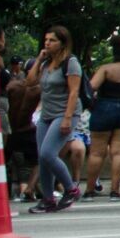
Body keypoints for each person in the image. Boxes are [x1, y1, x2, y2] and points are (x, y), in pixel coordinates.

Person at [82, 33, 120, 200]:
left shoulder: (105, 69)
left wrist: (92, 105)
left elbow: (90, 88)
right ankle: (115, 191)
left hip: (104, 107)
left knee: (97, 152)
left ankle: (89, 190)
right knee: (119, 152)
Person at [29, 26, 83, 212]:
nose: (47, 43)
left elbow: (74, 91)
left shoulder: (71, 62)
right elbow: (29, 82)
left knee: (48, 153)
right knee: (42, 157)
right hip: (47, 114)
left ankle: (71, 189)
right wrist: (39, 59)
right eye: (46, 40)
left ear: (62, 43)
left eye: (52, 40)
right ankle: (48, 198)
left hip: (65, 113)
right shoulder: (46, 64)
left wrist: (68, 119)